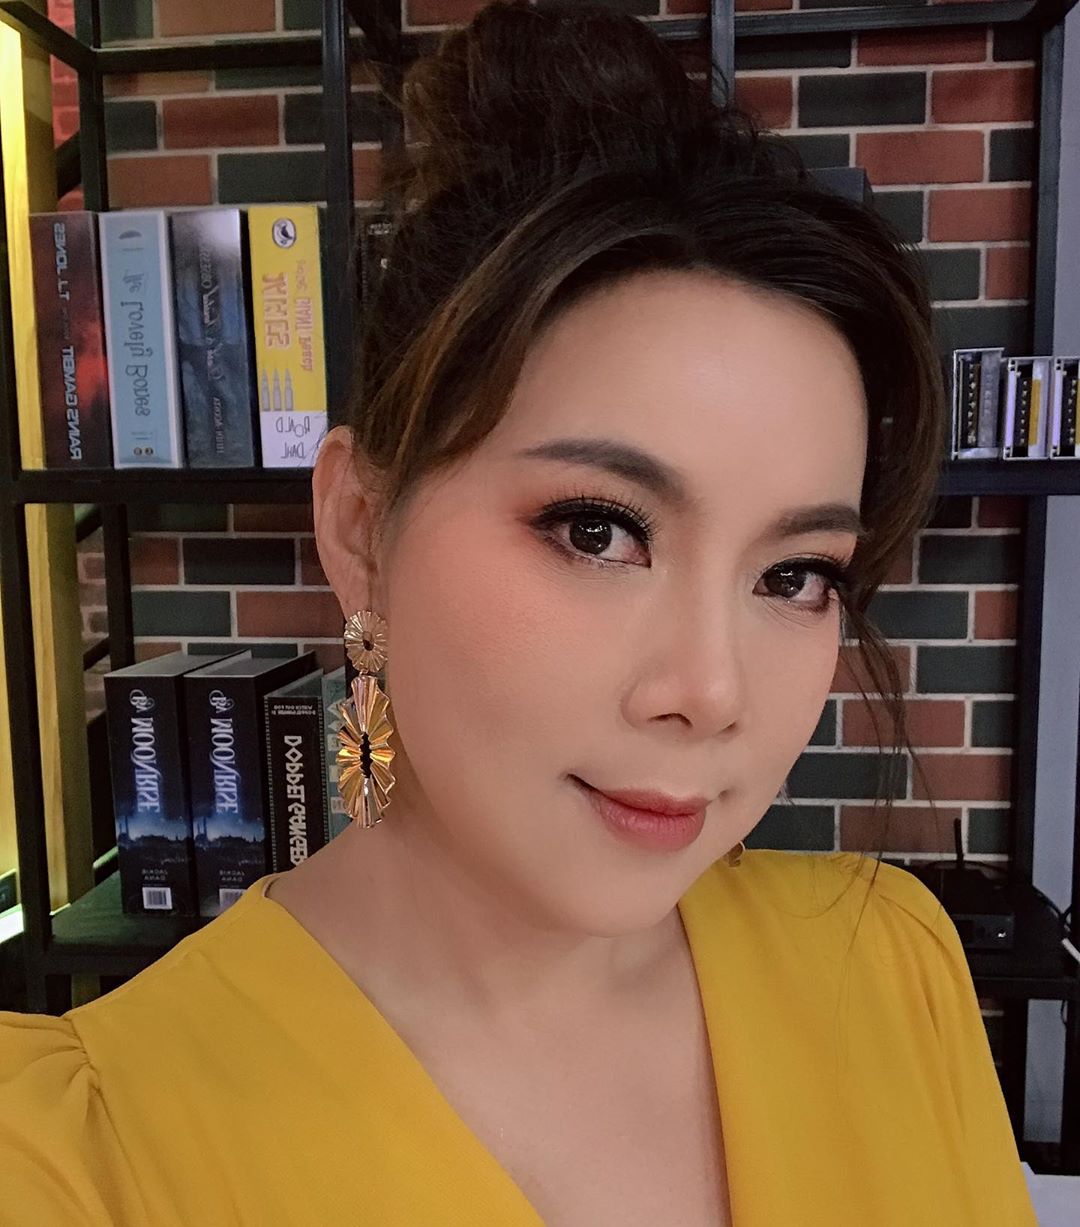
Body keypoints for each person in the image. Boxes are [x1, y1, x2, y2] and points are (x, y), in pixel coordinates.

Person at [0, 2, 1039, 1224]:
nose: (710, 693)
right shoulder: (76, 1154)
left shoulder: (891, 971)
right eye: (598, 531)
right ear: (361, 531)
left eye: (794, 574)